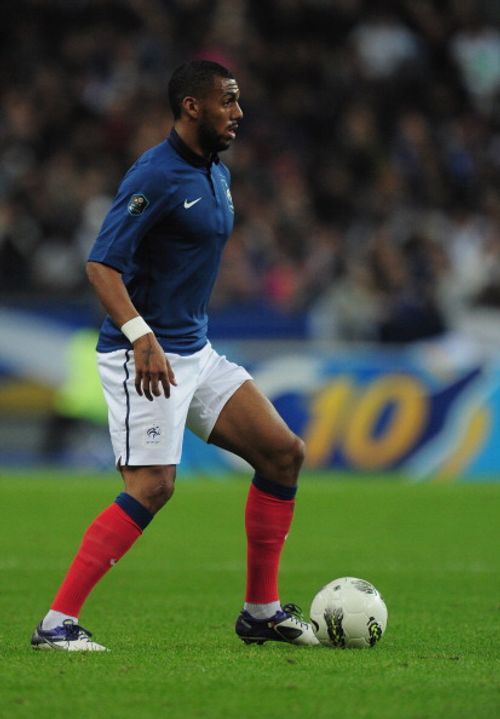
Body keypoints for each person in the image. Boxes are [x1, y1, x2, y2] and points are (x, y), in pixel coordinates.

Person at [31, 60, 318, 651]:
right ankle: (56, 624)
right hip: (144, 356)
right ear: (192, 106)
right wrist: (142, 336)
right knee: (153, 486)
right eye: (228, 101)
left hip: (194, 350)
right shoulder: (154, 175)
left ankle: (261, 611)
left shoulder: (217, 173)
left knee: (283, 453)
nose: (238, 112)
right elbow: (100, 265)